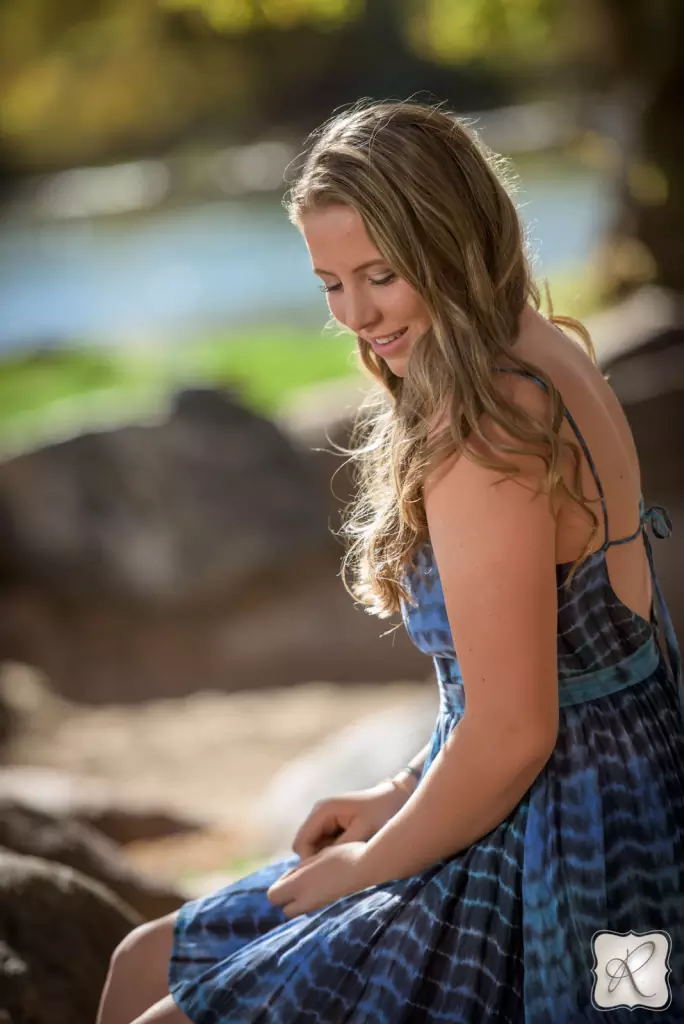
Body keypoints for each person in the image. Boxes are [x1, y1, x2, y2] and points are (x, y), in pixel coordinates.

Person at [96, 99, 684, 1024]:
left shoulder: (487, 422)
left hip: (559, 849)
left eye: (383, 274)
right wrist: (398, 790)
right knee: (143, 960)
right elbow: (573, 668)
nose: (359, 316)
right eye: (331, 284)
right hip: (612, 795)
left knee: (156, 1004)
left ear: (451, 240)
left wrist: (371, 865)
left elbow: (519, 729)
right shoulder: (550, 351)